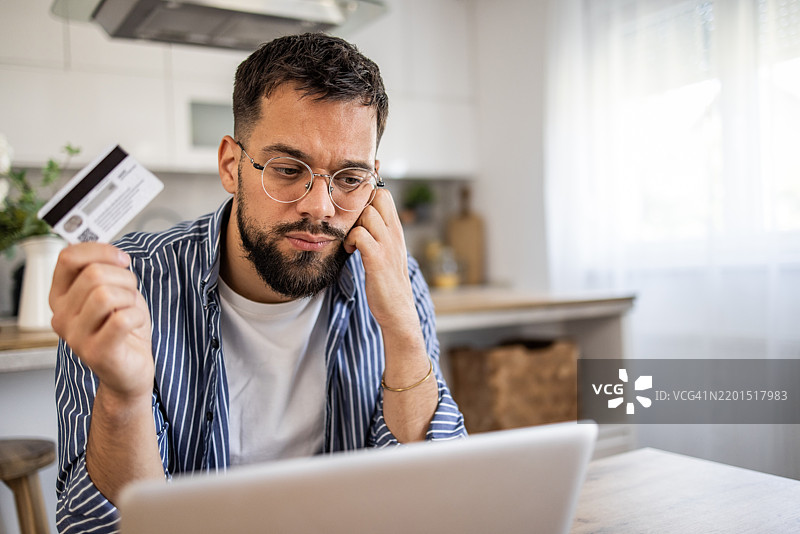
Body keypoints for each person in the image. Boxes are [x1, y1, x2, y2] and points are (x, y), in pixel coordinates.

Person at [50, 33, 466, 533]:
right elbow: (95, 528)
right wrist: (125, 396)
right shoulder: (125, 286)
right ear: (231, 165)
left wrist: (401, 329)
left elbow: (434, 502)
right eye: (289, 170)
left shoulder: (396, 278)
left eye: (350, 178)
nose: (320, 206)